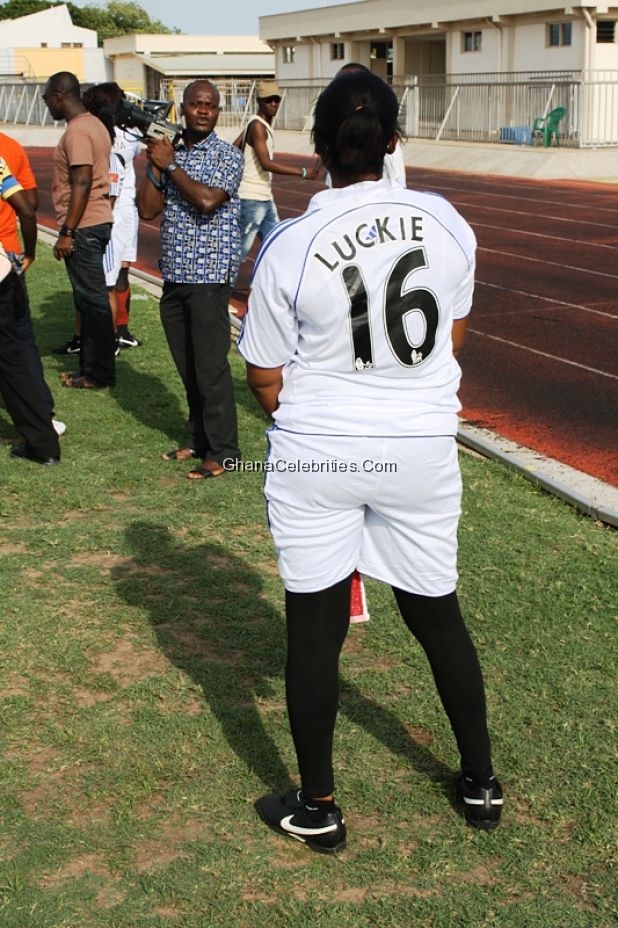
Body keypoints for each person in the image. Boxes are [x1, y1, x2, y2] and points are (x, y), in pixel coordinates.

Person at [238, 70, 503, 854]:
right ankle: (481, 782)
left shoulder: (290, 243)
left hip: (319, 451)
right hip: (420, 448)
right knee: (437, 613)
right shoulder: (447, 221)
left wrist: (316, 432)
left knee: (314, 628)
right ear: (393, 140)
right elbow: (451, 338)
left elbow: (263, 375)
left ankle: (319, 807)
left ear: (318, 147)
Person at [136, 79, 243, 480]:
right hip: (175, 273)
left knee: (210, 367)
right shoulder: (170, 153)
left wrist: (170, 166)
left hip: (209, 275)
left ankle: (224, 451)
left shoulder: (227, 156)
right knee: (188, 366)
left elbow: (207, 200)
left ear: (217, 112)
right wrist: (155, 165)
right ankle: (199, 439)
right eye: (195, 104)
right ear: (182, 109)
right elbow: (147, 211)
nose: (202, 110)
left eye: (209, 105)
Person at [43, 71, 115, 390]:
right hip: (93, 222)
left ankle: (98, 373)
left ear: (60, 96)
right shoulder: (94, 124)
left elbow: (82, 181)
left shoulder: (78, 131)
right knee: (87, 301)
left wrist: (68, 231)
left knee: (93, 302)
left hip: (84, 225)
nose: (47, 105)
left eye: (47, 98)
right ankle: (89, 368)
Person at [0, 130, 65, 436]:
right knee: (21, 336)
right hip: (10, 252)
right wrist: (30, 252)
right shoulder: (11, 146)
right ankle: (42, 411)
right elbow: (30, 202)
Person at [82, 82, 143, 351]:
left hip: (113, 211)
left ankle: (107, 341)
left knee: (104, 279)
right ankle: (121, 331)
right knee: (121, 272)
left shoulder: (104, 135)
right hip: (126, 209)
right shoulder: (131, 134)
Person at [234, 80, 317, 260]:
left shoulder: (255, 124)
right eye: (268, 100)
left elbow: (234, 148)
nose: (273, 104)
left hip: (264, 198)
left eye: (276, 100)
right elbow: (266, 163)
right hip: (251, 199)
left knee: (277, 246)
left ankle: (266, 280)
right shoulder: (257, 127)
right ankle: (218, 278)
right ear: (259, 101)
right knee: (239, 252)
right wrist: (302, 172)